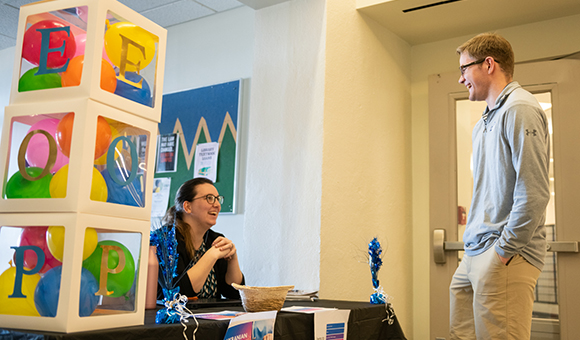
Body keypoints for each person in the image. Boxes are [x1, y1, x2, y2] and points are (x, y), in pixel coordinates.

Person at [450, 33, 550, 339]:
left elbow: (533, 192)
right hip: (474, 252)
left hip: (505, 254)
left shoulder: (519, 109)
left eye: (464, 69)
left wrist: (504, 251)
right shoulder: (483, 123)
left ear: (489, 64)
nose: (460, 79)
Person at [158, 177, 244, 299]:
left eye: (218, 199)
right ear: (187, 207)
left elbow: (235, 293)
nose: (217, 205)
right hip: (174, 317)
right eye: (209, 198)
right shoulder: (164, 240)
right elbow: (179, 293)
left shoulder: (215, 239)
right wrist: (211, 256)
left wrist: (233, 259)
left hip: (210, 317)